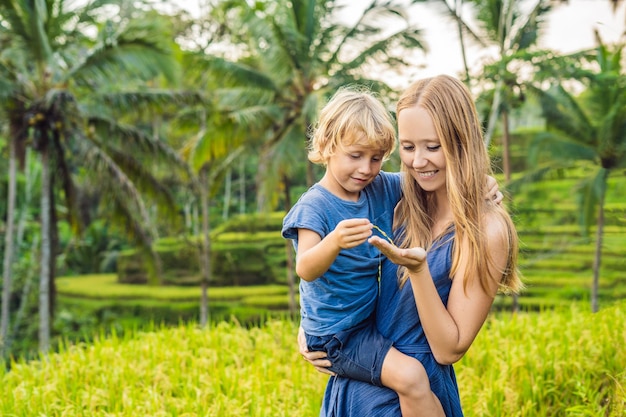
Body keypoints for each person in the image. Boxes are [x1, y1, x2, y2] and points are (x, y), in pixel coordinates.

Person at [299, 74, 523, 417]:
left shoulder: (486, 230)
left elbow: (449, 349)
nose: (418, 162)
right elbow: (340, 278)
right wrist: (312, 330)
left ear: (462, 143)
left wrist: (417, 271)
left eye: (433, 147)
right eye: (408, 147)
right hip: (356, 387)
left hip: (414, 396)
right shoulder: (401, 207)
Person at [282, 86, 446, 416]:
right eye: (355, 156)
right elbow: (306, 268)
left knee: (419, 374)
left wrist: (484, 182)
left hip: (368, 320)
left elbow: (428, 179)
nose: (366, 169)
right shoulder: (315, 207)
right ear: (327, 146)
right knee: (412, 376)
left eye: (375, 158)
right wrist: (334, 242)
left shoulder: (378, 187)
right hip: (338, 335)